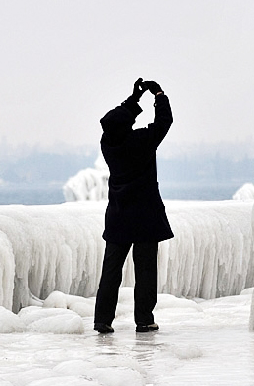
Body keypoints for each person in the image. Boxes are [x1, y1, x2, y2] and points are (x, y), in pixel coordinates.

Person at [93, 78, 174, 334]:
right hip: (145, 217)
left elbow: (116, 122)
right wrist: (158, 94)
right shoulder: (141, 141)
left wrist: (133, 99)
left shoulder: (108, 145)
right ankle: (144, 319)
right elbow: (164, 122)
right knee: (146, 272)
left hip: (118, 216)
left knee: (111, 271)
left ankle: (102, 320)